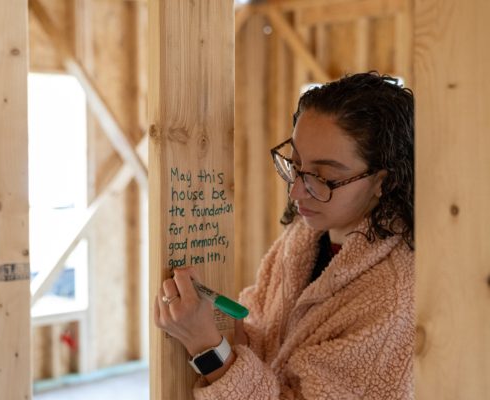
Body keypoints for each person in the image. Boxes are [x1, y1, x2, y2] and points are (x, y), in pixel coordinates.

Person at [154, 71, 415, 399]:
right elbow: (270, 339)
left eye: (322, 177)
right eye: (295, 166)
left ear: (384, 182)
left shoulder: (394, 301)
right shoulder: (301, 241)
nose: (295, 192)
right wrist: (232, 334)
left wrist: (208, 349)